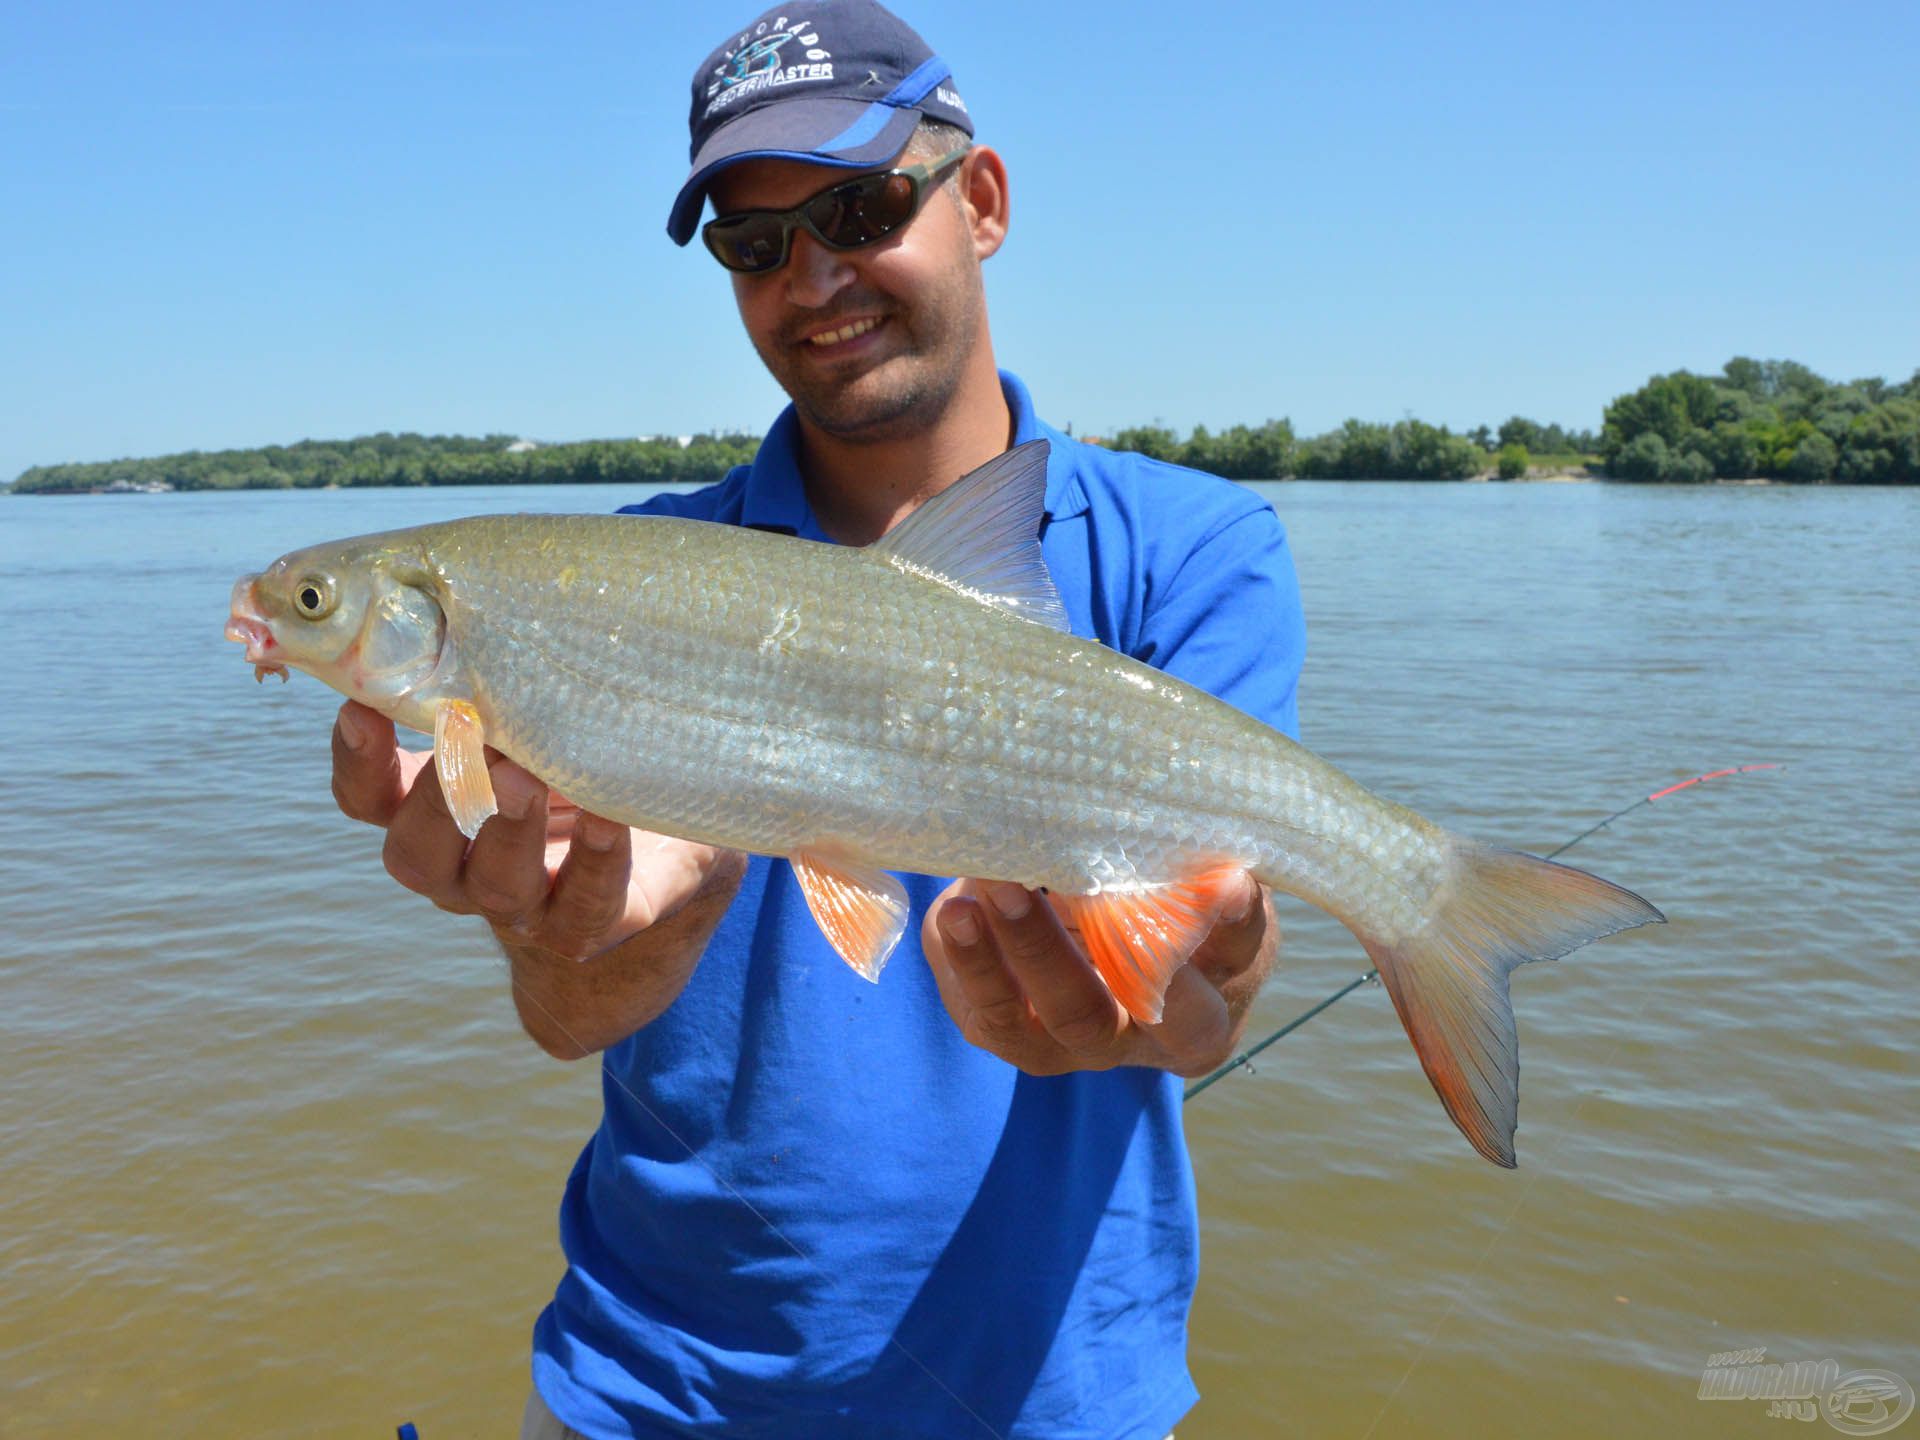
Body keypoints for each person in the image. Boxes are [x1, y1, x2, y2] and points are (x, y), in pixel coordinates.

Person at [328, 5, 1307, 1436]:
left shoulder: (1195, 548)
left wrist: (1195, 976)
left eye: (857, 206)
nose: (815, 274)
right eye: (754, 241)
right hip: (649, 1394)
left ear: (982, 202)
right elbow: (565, 1015)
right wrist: (608, 922)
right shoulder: (617, 579)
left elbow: (1214, 987)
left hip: (1058, 1401)